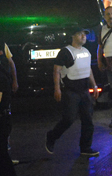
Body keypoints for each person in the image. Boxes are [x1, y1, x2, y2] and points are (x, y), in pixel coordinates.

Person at [45, 29, 100, 158]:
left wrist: (95, 85)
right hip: (71, 91)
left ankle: (85, 148)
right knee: (69, 119)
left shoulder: (86, 52)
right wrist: (57, 88)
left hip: (84, 90)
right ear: (72, 36)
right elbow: (56, 71)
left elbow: (89, 70)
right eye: (80, 34)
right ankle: (52, 136)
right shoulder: (65, 52)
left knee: (88, 120)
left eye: (85, 34)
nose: (83, 36)